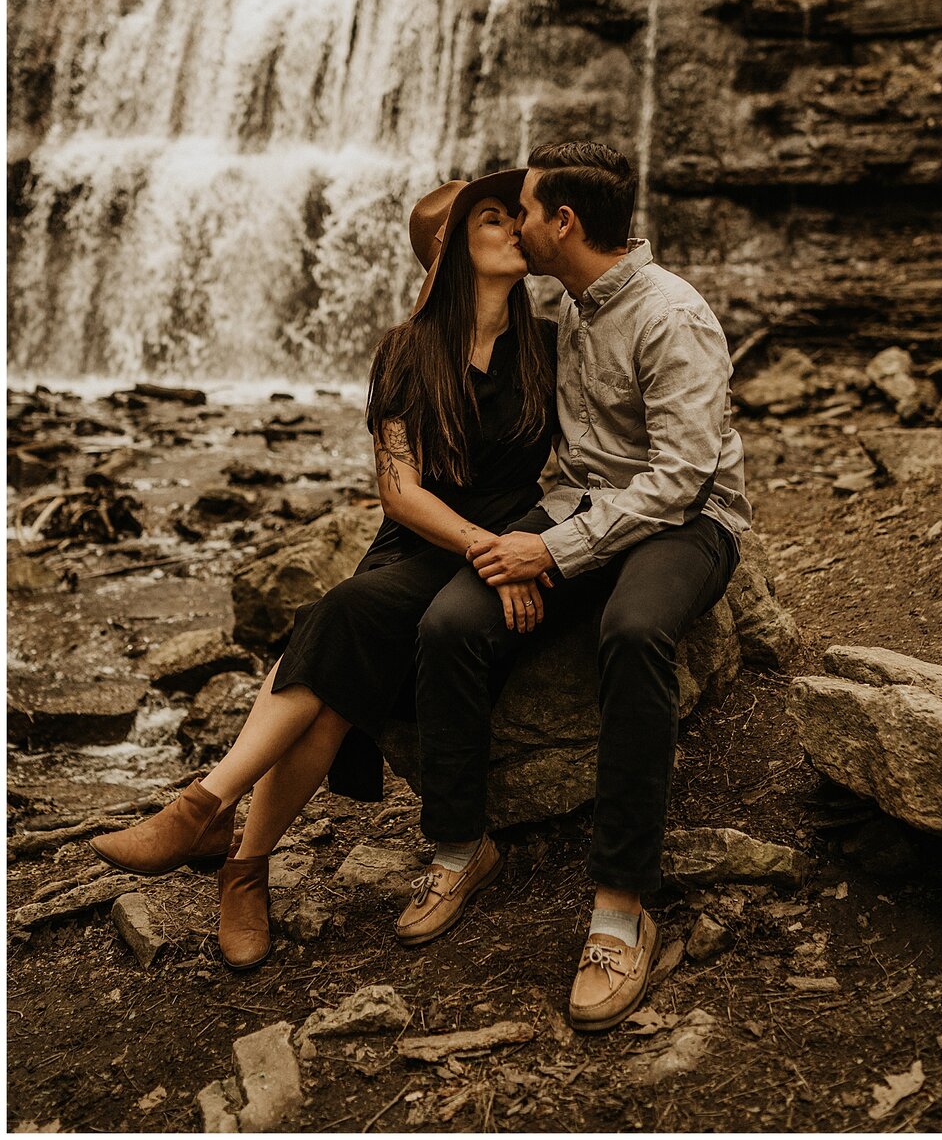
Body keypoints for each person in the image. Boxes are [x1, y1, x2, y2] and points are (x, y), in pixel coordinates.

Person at [90, 170, 557, 971]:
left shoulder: (551, 343)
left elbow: (583, 463)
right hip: (427, 545)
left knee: (337, 644)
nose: (518, 225)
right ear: (447, 250)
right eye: (494, 216)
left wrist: (526, 546)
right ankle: (231, 852)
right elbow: (399, 490)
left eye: (520, 214)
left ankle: (217, 826)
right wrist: (482, 543)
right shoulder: (407, 350)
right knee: (346, 637)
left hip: (516, 541)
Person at [397, 141, 751, 1032]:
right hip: (580, 508)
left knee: (632, 633)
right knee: (449, 623)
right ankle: (459, 847)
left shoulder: (672, 315)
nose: (510, 225)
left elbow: (679, 479)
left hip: (689, 524)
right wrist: (533, 544)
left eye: (521, 210)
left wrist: (554, 555)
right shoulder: (570, 303)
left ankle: (621, 906)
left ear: (562, 222)